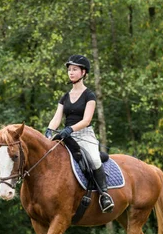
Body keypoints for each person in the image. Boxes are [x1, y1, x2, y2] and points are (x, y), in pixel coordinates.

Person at [45, 54, 114, 213]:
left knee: (95, 160)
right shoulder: (65, 97)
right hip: (65, 135)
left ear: (83, 73)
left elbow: (87, 120)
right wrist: (49, 132)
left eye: (75, 69)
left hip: (84, 135)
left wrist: (70, 129)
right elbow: (57, 119)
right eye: (69, 69)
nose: (71, 72)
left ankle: (104, 195)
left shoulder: (89, 95)